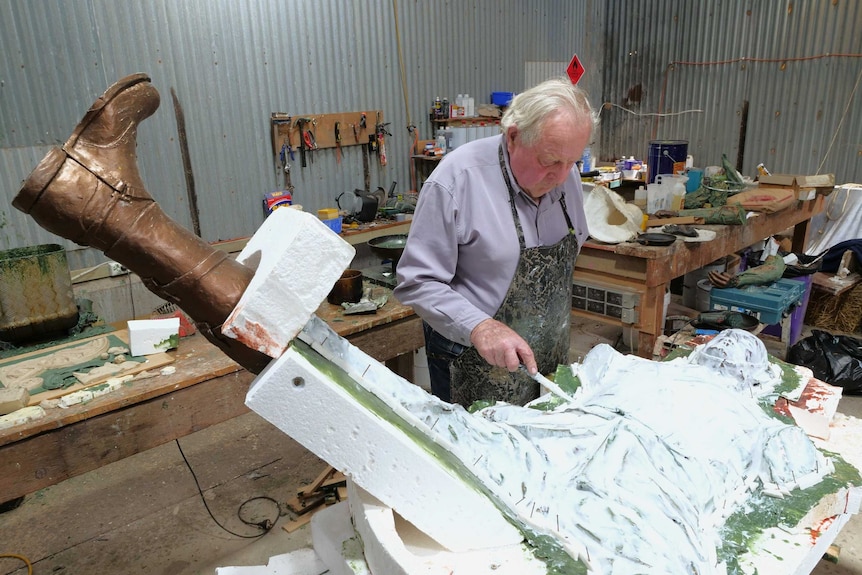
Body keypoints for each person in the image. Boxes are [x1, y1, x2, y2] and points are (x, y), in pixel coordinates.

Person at [394, 77, 596, 406]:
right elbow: (418, 282)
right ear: (513, 137)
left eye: (571, 161)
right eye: (549, 161)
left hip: (546, 361)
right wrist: (481, 327)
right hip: (474, 366)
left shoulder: (565, 175)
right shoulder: (456, 180)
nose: (561, 176)